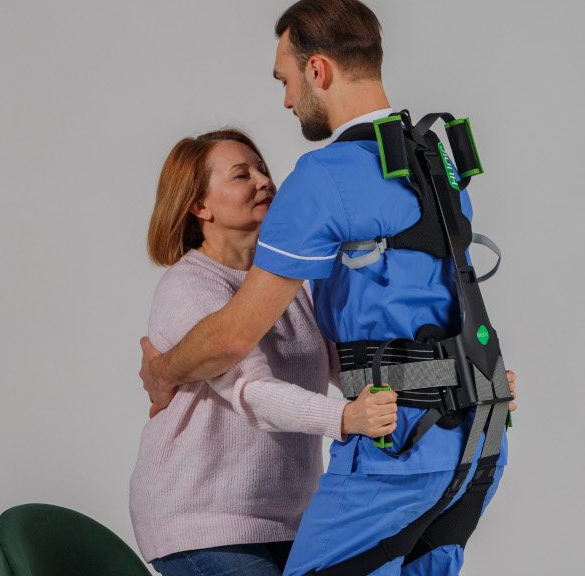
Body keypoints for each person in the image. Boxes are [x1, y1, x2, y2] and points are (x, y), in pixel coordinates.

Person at [141, 0, 515, 575]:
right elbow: (430, 295)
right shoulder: (434, 162)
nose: (288, 100)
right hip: (479, 439)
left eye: (286, 79)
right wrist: (468, 369)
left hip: (400, 448)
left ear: (319, 69)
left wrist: (161, 369)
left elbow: (236, 337)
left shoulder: (320, 178)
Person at [129, 129, 401, 576]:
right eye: (241, 175)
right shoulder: (188, 286)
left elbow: (349, 366)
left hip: (286, 521)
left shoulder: (283, 286)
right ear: (200, 206)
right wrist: (344, 419)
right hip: (201, 520)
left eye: (262, 170)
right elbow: (251, 391)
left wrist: (453, 379)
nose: (263, 181)